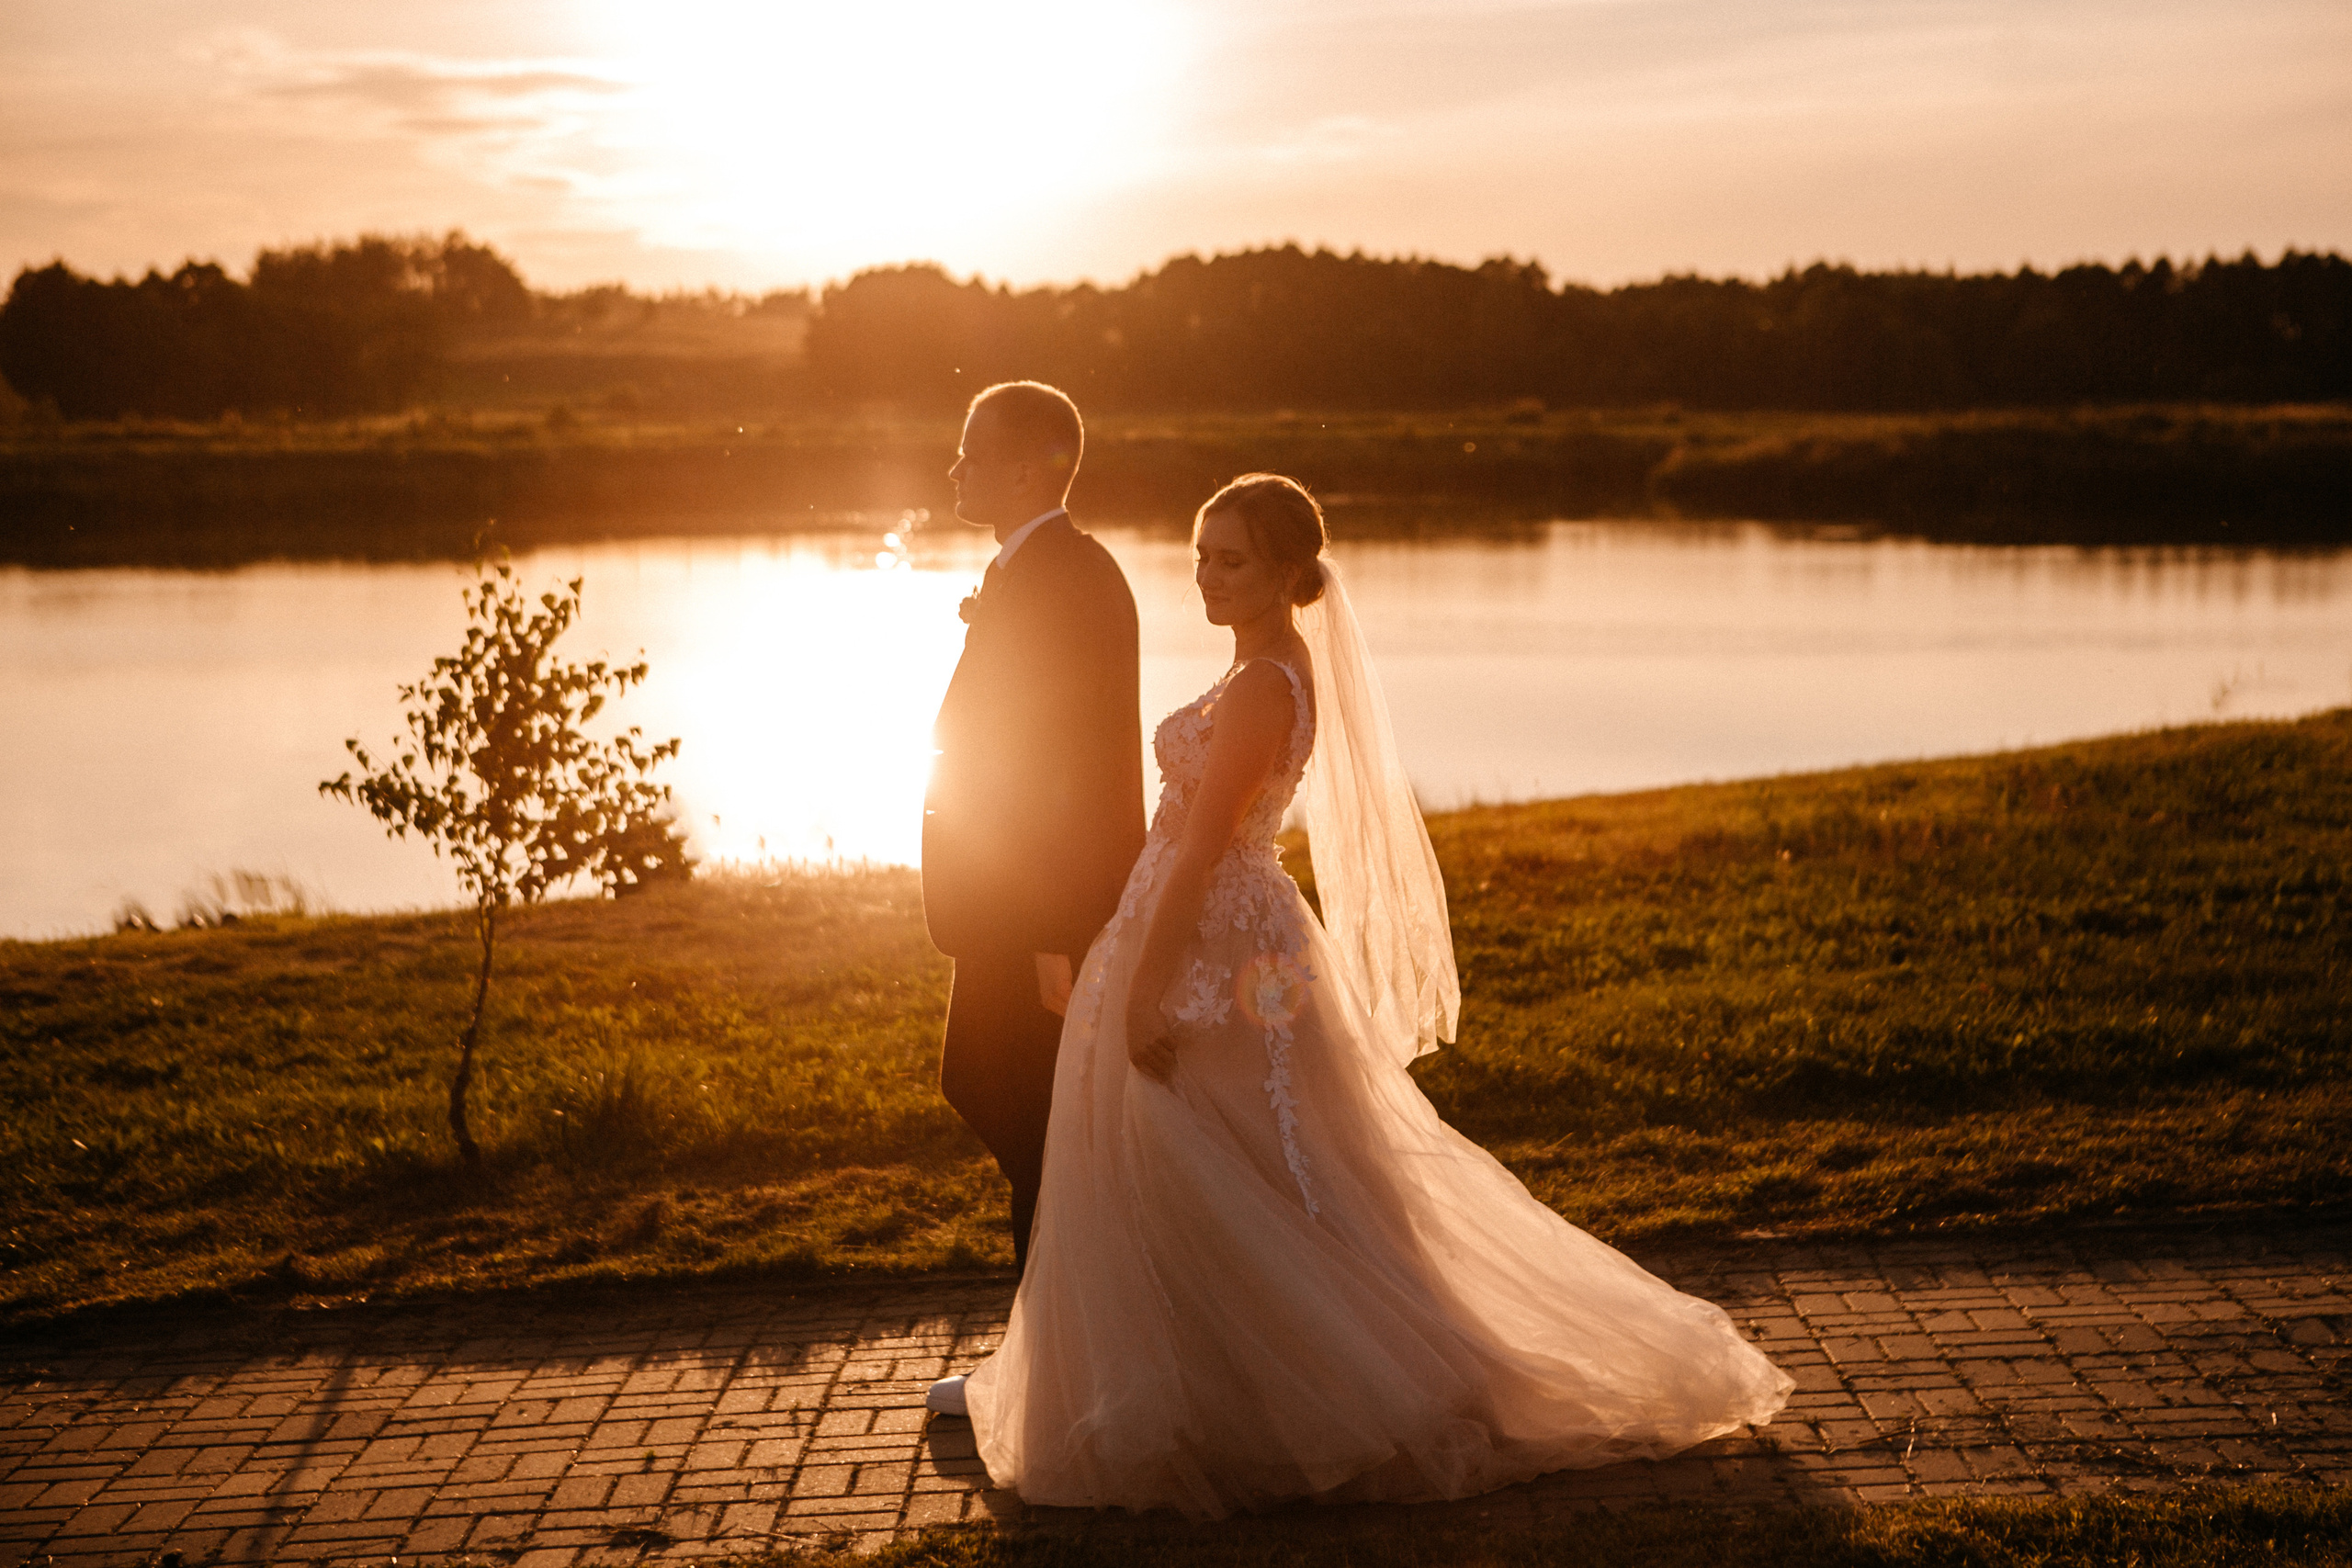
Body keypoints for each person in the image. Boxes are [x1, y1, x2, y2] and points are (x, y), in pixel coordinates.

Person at [952, 473, 1794, 1516]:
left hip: (1213, 940)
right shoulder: (1256, 665)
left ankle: (1312, 1391)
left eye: (1232, 560)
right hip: (1216, 925)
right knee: (1235, 1166)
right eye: (1201, 557)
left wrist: (1146, 981)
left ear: (1289, 573)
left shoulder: (1264, 683)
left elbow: (1205, 845)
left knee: (1226, 1164)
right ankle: (1223, 1384)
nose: (1207, 577)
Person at [921, 382, 1144, 1360]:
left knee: (1033, 1124)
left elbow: (1078, 765)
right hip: (1000, 907)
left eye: (970, 447)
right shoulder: (1031, 569)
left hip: (1036, 917)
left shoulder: (1069, 577)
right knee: (1005, 1104)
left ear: (1025, 467)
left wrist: (1060, 930)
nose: (953, 465)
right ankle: (1053, 1349)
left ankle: (1059, 1358)